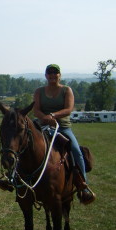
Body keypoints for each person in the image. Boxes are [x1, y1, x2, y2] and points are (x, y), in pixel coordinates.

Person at [33, 64, 95, 205]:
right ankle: (14, 179)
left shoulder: (67, 90)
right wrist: (45, 118)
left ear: (60, 75)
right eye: (49, 73)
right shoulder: (39, 91)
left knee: (76, 151)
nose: (52, 75)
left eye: (55, 73)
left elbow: (68, 109)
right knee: (24, 143)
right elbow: (36, 110)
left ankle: (83, 186)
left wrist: (53, 115)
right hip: (42, 126)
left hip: (62, 128)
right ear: (45, 75)